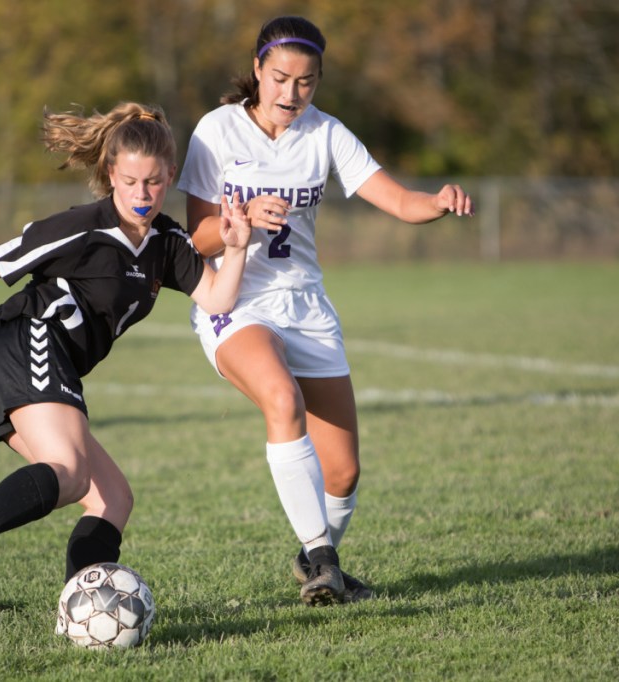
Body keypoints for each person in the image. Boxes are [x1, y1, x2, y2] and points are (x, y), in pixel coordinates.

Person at [0, 102, 252, 590]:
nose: (142, 194)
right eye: (130, 181)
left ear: (170, 176)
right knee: (72, 474)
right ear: (110, 174)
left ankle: (78, 607)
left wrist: (239, 247)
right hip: (26, 344)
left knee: (112, 499)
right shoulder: (83, 226)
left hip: (44, 364)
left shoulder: (168, 243)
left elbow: (218, 298)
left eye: (154, 182)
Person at [178, 16, 474, 607]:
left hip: (307, 305)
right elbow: (196, 238)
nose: (291, 94)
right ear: (258, 70)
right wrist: (236, 223)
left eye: (306, 82)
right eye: (281, 78)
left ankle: (311, 557)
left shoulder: (326, 134)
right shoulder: (216, 131)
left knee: (342, 476)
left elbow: (395, 198)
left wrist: (437, 202)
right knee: (281, 400)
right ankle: (325, 562)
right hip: (237, 301)